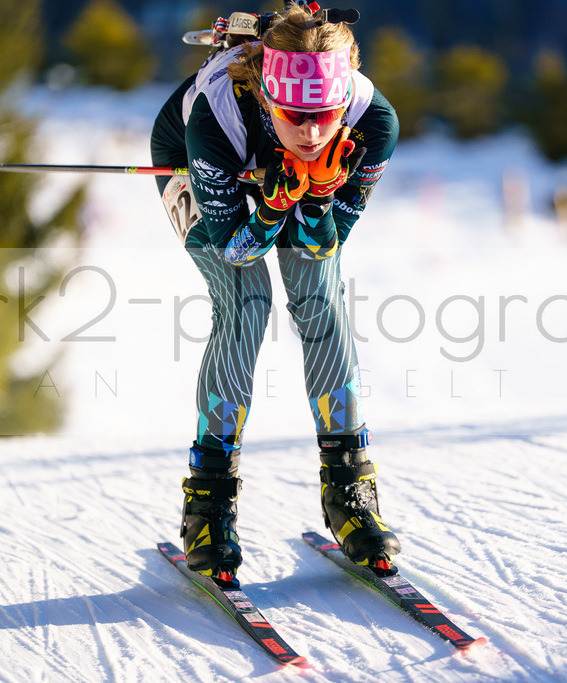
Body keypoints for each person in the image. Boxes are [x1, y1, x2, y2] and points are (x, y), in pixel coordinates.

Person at [149, 5, 401, 584]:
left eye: (325, 115)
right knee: (247, 301)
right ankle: (208, 502)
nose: (313, 133)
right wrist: (274, 203)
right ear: (267, 97)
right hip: (197, 159)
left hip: (265, 180)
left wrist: (311, 199)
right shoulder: (218, 119)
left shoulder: (372, 123)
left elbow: (322, 247)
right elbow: (236, 248)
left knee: (320, 295)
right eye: (294, 115)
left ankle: (350, 491)